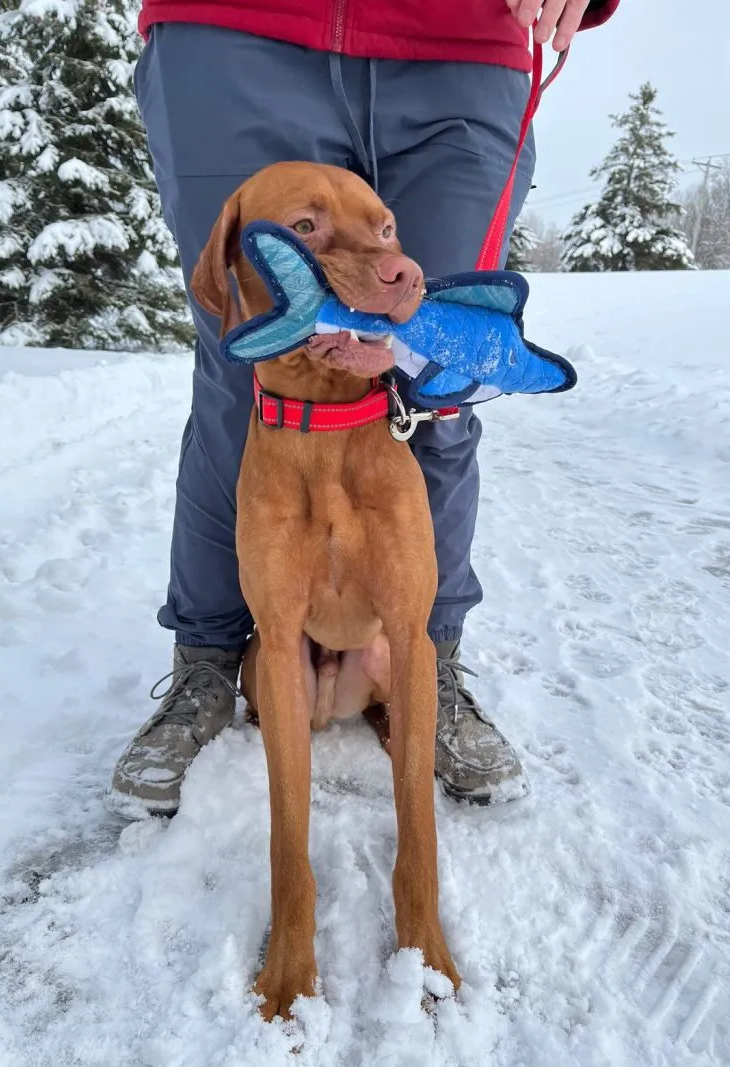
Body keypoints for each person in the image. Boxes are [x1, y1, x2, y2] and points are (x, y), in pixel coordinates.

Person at [106, 0, 619, 819]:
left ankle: (426, 656)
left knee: (436, 379)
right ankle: (206, 660)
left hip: (464, 46)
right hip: (235, 35)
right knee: (243, 367)